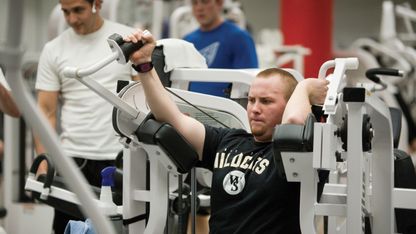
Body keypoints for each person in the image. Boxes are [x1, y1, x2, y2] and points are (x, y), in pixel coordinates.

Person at [125, 29, 329, 233]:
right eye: (251, 100)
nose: (255, 108)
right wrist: (144, 64)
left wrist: (304, 88)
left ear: (289, 104)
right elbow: (173, 118)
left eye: (266, 101)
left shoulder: (301, 154)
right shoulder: (228, 140)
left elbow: (294, 121)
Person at [34, 0, 138, 233]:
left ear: (97, 4)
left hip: (120, 158)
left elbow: (145, 99)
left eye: (78, 10)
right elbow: (46, 113)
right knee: (68, 229)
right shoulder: (54, 49)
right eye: (66, 12)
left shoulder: (126, 41)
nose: (72, 19)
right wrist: (43, 162)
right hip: (72, 160)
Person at [183, 0, 258, 98]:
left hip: (224, 110)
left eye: (205, 2)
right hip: (187, 107)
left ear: (219, 4)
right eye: (195, 3)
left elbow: (249, 83)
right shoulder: (187, 41)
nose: (199, 8)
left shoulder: (239, 37)